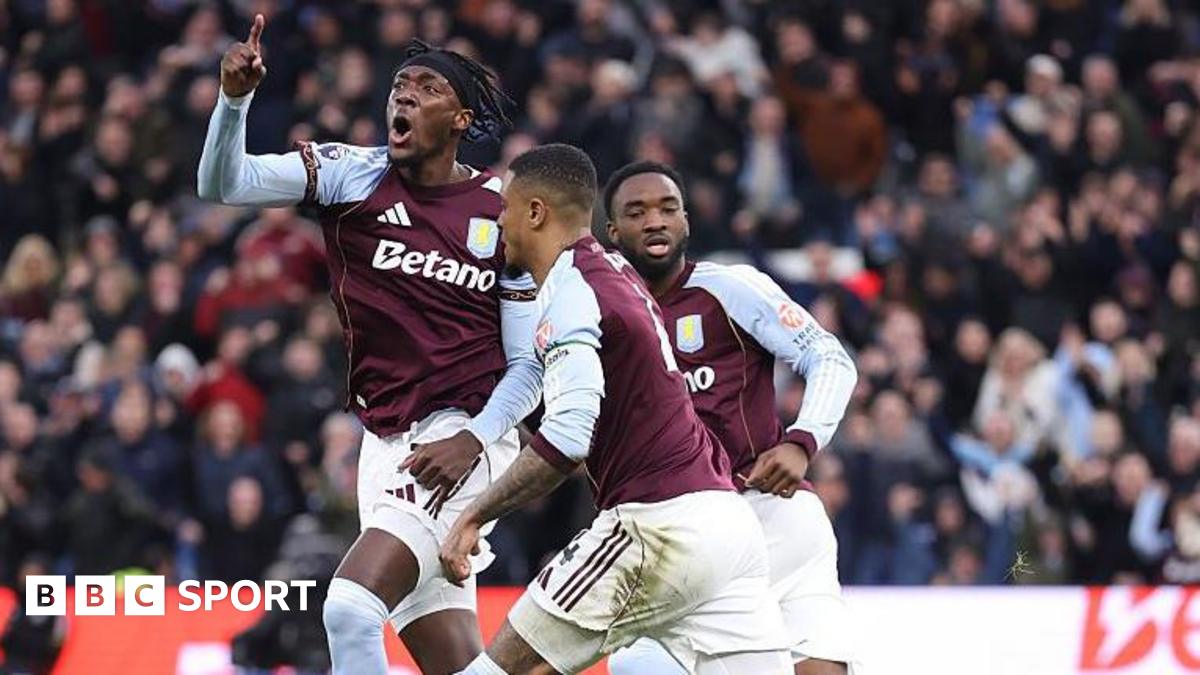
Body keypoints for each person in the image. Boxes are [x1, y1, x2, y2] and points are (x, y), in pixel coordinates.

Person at [196, 15, 543, 674]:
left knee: (350, 606)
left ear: (461, 118)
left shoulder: (505, 210)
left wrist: (475, 436)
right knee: (456, 662)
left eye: (424, 88)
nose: (403, 96)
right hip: (383, 445)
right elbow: (223, 184)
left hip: (466, 437)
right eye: (398, 86)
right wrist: (234, 101)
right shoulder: (353, 175)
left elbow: (530, 366)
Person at [441, 143, 791, 674]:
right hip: (729, 528)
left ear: (535, 212)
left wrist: (474, 514)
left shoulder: (571, 289)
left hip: (656, 528)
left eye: (504, 208)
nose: (498, 222)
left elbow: (568, 436)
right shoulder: (617, 274)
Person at [604, 161, 861, 674]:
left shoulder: (731, 288)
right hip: (673, 536)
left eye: (667, 209)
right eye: (637, 212)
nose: (655, 221)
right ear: (613, 233)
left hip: (769, 513)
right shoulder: (597, 314)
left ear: (686, 223)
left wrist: (801, 441)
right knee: (637, 665)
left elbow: (829, 358)